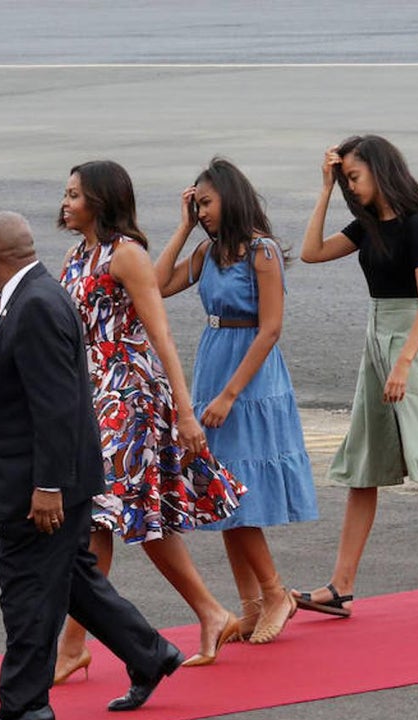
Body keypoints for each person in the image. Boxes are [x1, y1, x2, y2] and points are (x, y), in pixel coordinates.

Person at [0, 212, 184, 720]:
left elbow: (56, 405)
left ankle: (24, 706)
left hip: (41, 485)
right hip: (52, 477)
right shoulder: (37, 291)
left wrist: (49, 486)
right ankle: (150, 655)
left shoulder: (35, 302)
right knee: (74, 580)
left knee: (28, 591)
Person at [53, 161, 244, 678]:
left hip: (131, 397)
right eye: (66, 194)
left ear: (100, 199)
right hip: (92, 397)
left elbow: (160, 335)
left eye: (75, 195)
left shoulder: (127, 255)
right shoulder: (76, 257)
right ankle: (210, 611)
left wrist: (185, 413)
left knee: (102, 515)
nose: (65, 203)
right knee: (137, 514)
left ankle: (73, 647)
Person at [292, 135, 418, 615]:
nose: (350, 187)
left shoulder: (414, 226)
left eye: (355, 177)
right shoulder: (367, 227)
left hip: (415, 349)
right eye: (345, 180)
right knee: (365, 464)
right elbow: (310, 253)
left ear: (381, 172)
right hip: (378, 344)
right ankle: (340, 584)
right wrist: (324, 190)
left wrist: (404, 361)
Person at [155, 158, 318, 649]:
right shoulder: (207, 251)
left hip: (248, 379)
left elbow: (271, 329)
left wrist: (229, 394)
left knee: (235, 489)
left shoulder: (261, 252)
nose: (201, 211)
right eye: (196, 204)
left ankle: (274, 594)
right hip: (213, 363)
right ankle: (249, 605)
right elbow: (157, 286)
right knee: (218, 489)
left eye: (206, 203)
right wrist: (183, 228)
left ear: (231, 197)